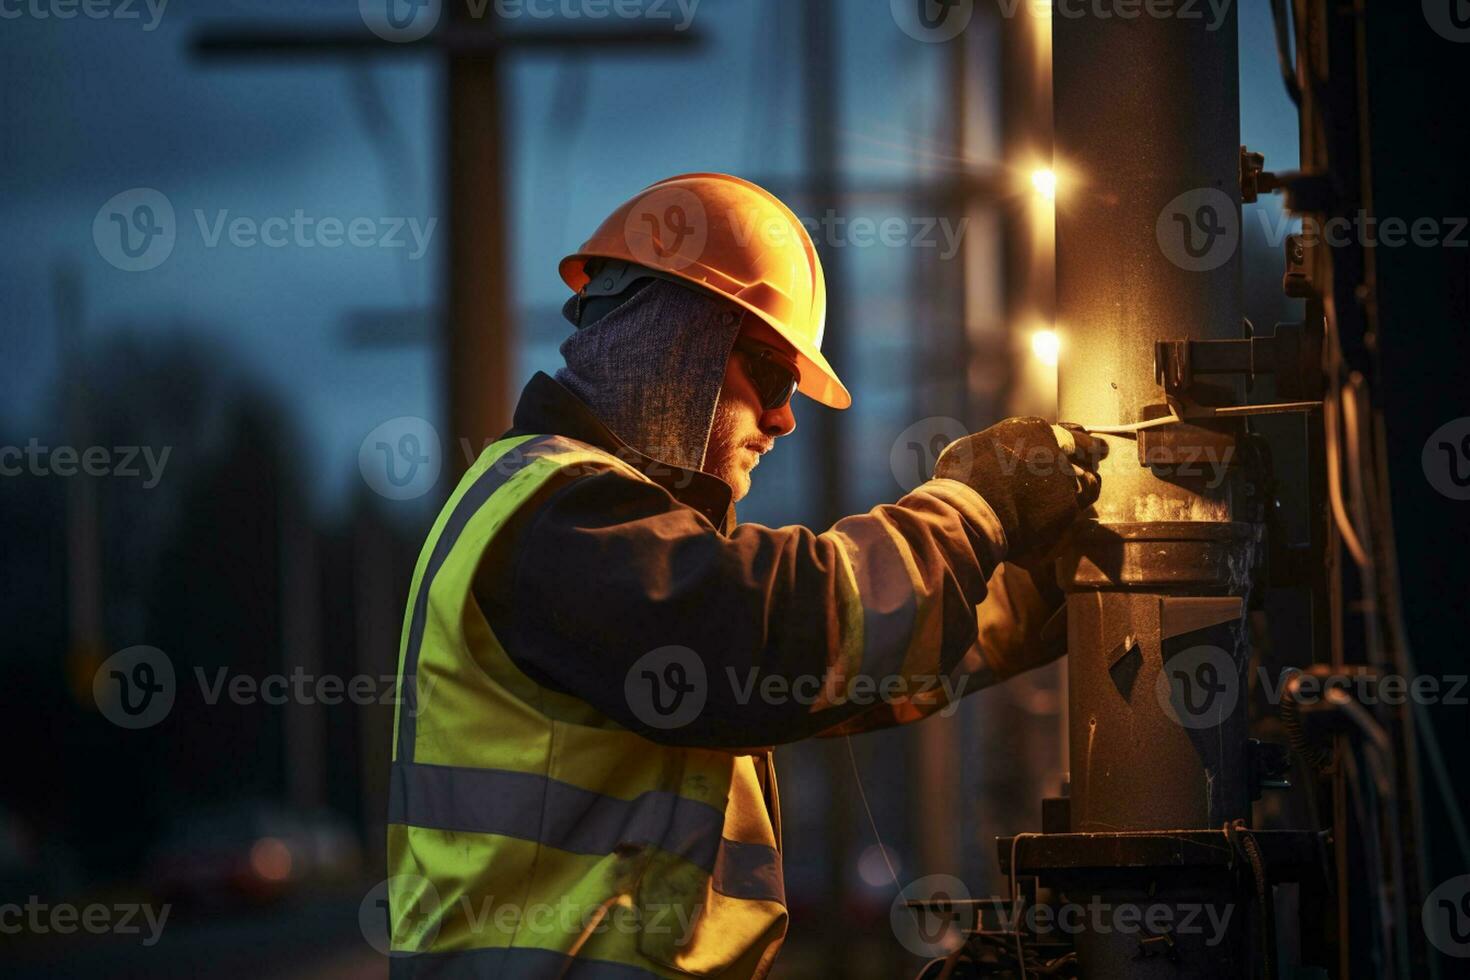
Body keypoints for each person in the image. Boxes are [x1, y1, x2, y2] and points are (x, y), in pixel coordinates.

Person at [386, 173, 1105, 978]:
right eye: (771, 375)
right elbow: (766, 630)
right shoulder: (556, 517)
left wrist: (1037, 594)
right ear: (673, 342)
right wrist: (976, 508)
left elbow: (828, 663)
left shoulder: (600, 531)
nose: (784, 418)